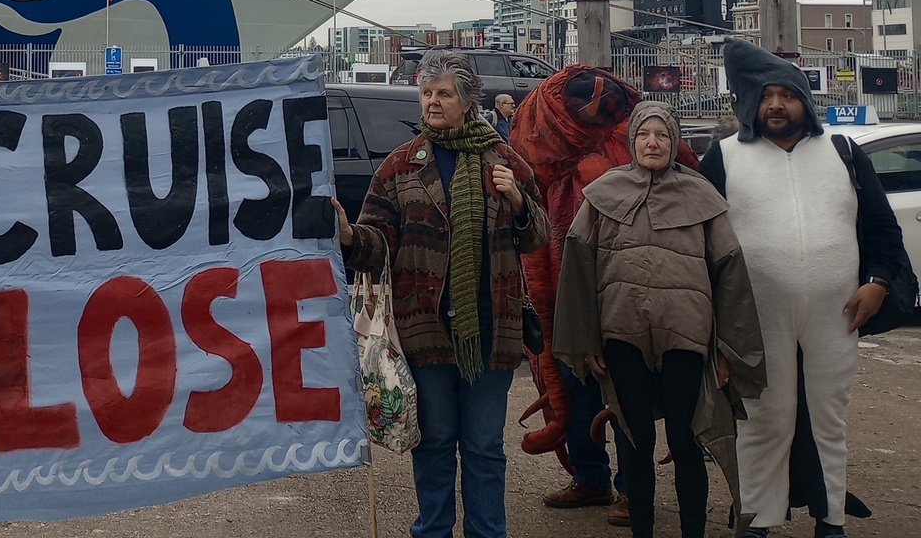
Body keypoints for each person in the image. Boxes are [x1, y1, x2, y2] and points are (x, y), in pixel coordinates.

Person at [699, 38, 915, 538]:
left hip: (836, 313)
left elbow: (883, 230)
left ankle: (831, 519)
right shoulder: (725, 158)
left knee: (828, 419)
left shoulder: (842, 153)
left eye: (788, 95)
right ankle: (758, 517)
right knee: (761, 418)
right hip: (754, 316)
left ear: (805, 101)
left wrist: (879, 283)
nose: (776, 105)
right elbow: (701, 244)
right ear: (751, 101)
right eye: (766, 95)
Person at [335, 50, 549, 538]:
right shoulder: (398, 167)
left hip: (492, 330)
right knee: (432, 444)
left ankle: (487, 532)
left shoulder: (506, 160)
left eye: (444, 93)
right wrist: (350, 237)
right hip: (423, 330)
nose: (433, 101)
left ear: (468, 101)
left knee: (483, 446)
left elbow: (538, 236)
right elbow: (378, 243)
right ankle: (432, 530)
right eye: (427, 92)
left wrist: (516, 199)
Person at [555, 101, 766, 538]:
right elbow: (577, 267)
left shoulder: (702, 196)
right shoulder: (603, 194)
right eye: (645, 135)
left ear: (675, 143)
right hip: (622, 335)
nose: (653, 142)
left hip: (686, 338)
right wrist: (586, 337)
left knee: (687, 441)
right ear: (633, 141)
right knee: (635, 441)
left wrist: (728, 349)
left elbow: (730, 273)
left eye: (663, 135)